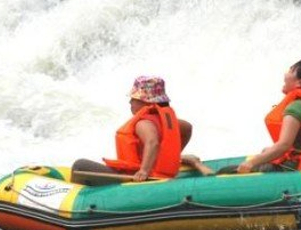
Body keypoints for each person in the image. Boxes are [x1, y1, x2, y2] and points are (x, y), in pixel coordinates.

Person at [72, 76, 208, 182]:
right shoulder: (169, 122)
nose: (130, 102)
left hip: (135, 176)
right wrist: (172, 155)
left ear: (146, 102)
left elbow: (152, 141)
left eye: (134, 98)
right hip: (159, 172)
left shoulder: (143, 123)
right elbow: (188, 128)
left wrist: (144, 171)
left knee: (80, 165)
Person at [220, 59, 301, 174]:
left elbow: (284, 145)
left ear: (299, 83)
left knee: (223, 171)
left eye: (290, 71)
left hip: (294, 167)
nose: (285, 74)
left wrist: (251, 163)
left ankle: (203, 170)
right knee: (265, 151)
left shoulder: (295, 108)